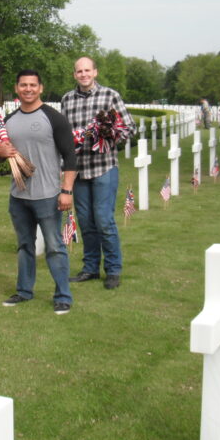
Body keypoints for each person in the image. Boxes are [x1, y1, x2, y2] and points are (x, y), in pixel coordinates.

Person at [0, 69, 77, 314]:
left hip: (48, 195)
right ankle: (24, 291)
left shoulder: (54, 118)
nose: (27, 89)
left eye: (32, 85)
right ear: (16, 88)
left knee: (54, 246)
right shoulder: (9, 120)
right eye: (23, 85)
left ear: (40, 88)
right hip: (18, 197)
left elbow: (70, 157)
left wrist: (67, 190)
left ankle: (63, 295)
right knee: (24, 245)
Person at [61, 57, 137, 290]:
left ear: (95, 72)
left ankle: (113, 269)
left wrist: (109, 133)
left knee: (104, 220)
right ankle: (91, 268)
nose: (83, 74)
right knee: (86, 222)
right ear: (74, 75)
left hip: (104, 167)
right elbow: (63, 135)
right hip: (79, 170)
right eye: (79, 71)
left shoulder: (110, 96)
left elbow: (129, 128)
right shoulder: (67, 99)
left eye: (87, 70)